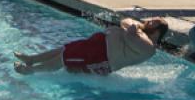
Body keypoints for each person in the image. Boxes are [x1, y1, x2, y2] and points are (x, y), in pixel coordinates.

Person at [14, 17, 169, 75]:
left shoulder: (149, 47)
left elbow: (129, 33)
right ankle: (32, 59)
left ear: (157, 30)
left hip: (101, 56)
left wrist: (135, 26)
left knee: (64, 58)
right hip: (97, 46)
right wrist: (133, 26)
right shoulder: (142, 34)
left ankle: (31, 71)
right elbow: (125, 21)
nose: (147, 21)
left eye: (151, 22)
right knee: (65, 49)